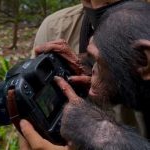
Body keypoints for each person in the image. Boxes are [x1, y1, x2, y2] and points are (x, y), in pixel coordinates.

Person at [17, 1, 150, 149]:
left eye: (97, 61)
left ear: (144, 60)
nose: (92, 69)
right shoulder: (57, 26)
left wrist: (98, 130)